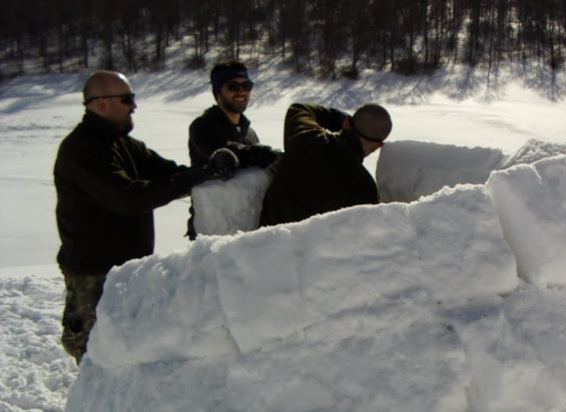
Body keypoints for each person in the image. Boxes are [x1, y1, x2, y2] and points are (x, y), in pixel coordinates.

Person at [53, 70, 238, 364]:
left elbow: (169, 173)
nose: (134, 106)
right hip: (94, 279)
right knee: (99, 365)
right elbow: (128, 197)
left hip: (129, 273)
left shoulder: (124, 145)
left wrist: (215, 168)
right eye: (127, 99)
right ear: (101, 103)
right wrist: (199, 175)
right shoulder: (80, 150)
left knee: (130, 362)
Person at [186, 59, 280, 239]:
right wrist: (266, 155)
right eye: (233, 86)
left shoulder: (249, 133)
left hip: (249, 228)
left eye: (247, 85)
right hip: (212, 233)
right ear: (217, 92)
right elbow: (225, 151)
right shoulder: (202, 127)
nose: (242, 92)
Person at [261, 102, 392, 226]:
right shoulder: (364, 187)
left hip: (266, 244)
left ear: (346, 122)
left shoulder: (305, 137)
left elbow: (299, 109)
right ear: (377, 147)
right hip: (312, 249)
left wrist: (335, 117)